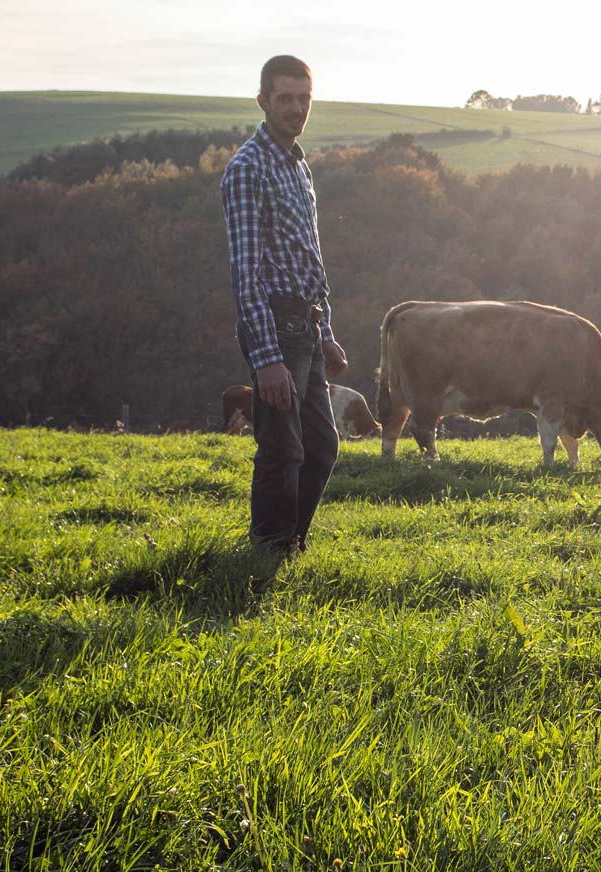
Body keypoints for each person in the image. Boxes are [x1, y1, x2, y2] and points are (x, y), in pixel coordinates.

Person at [221, 55, 348, 555]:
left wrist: (328, 331)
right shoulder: (249, 169)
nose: (296, 109)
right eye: (286, 99)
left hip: (307, 325)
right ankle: (267, 554)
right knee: (282, 449)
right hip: (276, 325)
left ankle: (286, 546)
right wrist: (266, 357)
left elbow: (308, 258)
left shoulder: (297, 165)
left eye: (304, 99)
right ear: (263, 102)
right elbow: (246, 274)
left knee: (322, 446)